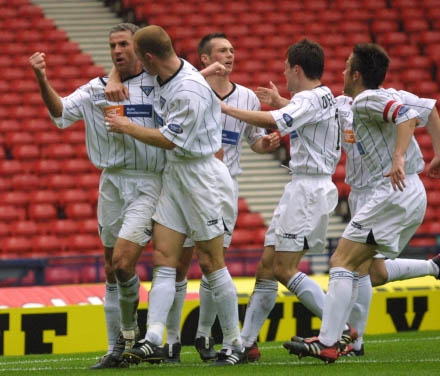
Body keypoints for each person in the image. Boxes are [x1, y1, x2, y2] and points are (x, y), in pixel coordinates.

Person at [284, 43, 440, 363]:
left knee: (343, 262)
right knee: (366, 269)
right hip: (395, 191)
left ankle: (331, 340)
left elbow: (406, 116)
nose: (340, 72)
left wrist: (398, 157)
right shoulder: (368, 98)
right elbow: (428, 108)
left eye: (345, 67)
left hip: (389, 190)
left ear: (356, 75)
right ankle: (349, 338)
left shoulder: (367, 98)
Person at [105, 25, 246, 366]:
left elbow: (171, 140)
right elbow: (134, 65)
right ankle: (154, 336)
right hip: (175, 175)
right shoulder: (169, 70)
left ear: (150, 58)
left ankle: (234, 342)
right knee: (164, 260)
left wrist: (127, 127)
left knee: (212, 262)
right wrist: (113, 76)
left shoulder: (189, 91)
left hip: (201, 176)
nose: (139, 66)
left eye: (141, 58)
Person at [29, 23, 165, 369]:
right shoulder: (96, 89)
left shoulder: (160, 84)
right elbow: (60, 113)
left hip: (149, 182)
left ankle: (134, 333)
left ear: (138, 48)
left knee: (122, 262)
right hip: (111, 184)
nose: (117, 51)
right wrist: (42, 78)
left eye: (124, 44)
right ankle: (114, 349)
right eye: (113, 46)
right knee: (110, 269)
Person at [161, 32, 280, 363]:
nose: (230, 55)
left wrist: (263, 145)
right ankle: (171, 339)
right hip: (186, 180)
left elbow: (254, 140)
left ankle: (202, 335)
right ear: (203, 58)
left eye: (232, 50)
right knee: (180, 262)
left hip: (223, 185)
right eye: (222, 50)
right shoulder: (188, 88)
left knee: (212, 261)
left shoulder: (246, 98)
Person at [220, 39, 342, 360]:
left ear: (297, 68)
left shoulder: (310, 99)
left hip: (308, 191)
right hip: (302, 188)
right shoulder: (320, 96)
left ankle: (338, 332)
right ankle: (247, 344)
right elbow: (301, 114)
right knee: (266, 267)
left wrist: (228, 109)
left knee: (285, 269)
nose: (283, 72)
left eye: (286, 67)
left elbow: (275, 121)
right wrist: (282, 100)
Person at [337, 93, 440, 356]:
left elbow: (428, 109)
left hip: (382, 189)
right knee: (376, 273)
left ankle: (352, 342)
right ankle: (433, 266)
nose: (343, 70)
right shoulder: (339, 102)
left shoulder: (390, 98)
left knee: (354, 267)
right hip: (359, 191)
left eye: (349, 65)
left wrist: (437, 152)